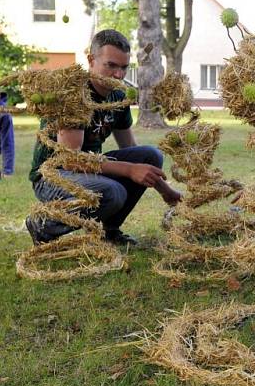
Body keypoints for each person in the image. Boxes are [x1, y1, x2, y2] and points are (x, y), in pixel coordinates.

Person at [25, 29, 182, 246]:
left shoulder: (117, 95)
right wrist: (128, 170)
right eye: (111, 65)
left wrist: (165, 190)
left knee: (150, 155)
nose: (119, 74)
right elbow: (70, 160)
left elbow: (131, 150)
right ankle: (43, 226)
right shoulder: (73, 93)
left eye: (124, 67)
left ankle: (109, 231)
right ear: (91, 60)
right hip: (52, 177)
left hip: (86, 171)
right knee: (112, 192)